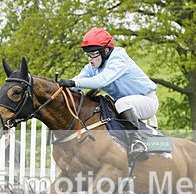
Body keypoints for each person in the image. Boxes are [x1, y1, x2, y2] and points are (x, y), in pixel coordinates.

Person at [58, 27, 158, 160]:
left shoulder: (118, 58)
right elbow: (76, 83)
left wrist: (74, 83)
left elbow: (101, 81)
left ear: (105, 51)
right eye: (87, 54)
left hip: (147, 101)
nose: (89, 58)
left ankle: (137, 142)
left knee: (121, 103)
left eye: (93, 54)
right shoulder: (92, 67)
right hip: (126, 105)